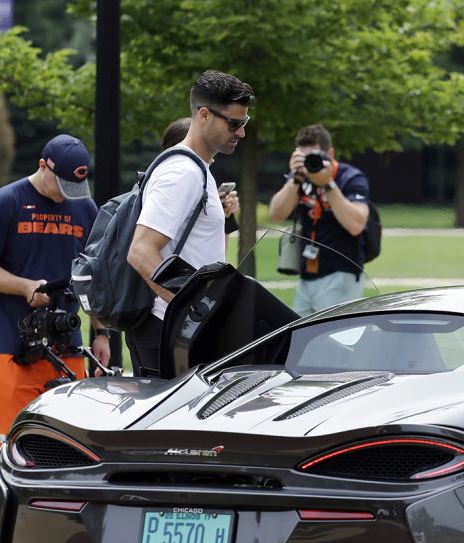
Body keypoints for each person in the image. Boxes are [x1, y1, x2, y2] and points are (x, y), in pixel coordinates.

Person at [0, 133, 110, 451]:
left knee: (69, 449)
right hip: (13, 348)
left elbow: (94, 276)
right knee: (14, 447)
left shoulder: (84, 208)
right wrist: (24, 286)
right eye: (60, 185)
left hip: (68, 349)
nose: (65, 195)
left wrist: (101, 334)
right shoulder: (6, 202)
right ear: (42, 166)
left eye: (73, 188)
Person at [126, 70, 255, 377]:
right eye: (234, 124)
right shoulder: (182, 172)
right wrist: (193, 311)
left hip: (182, 330)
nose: (241, 133)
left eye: (244, 123)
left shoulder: (198, 169)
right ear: (204, 115)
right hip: (168, 330)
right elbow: (141, 252)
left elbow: (204, 254)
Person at [267, 124, 371, 315]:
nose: (310, 163)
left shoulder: (349, 177)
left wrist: (328, 184)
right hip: (307, 274)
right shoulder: (300, 177)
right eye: (304, 157)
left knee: (338, 342)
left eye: (314, 157)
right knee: (301, 339)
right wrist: (295, 179)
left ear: (330, 153)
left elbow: (357, 225)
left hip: (341, 273)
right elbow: (276, 215)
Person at [161, 117, 241, 246]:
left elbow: (218, 252)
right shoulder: (177, 179)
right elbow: (142, 250)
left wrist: (222, 215)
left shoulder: (204, 178)